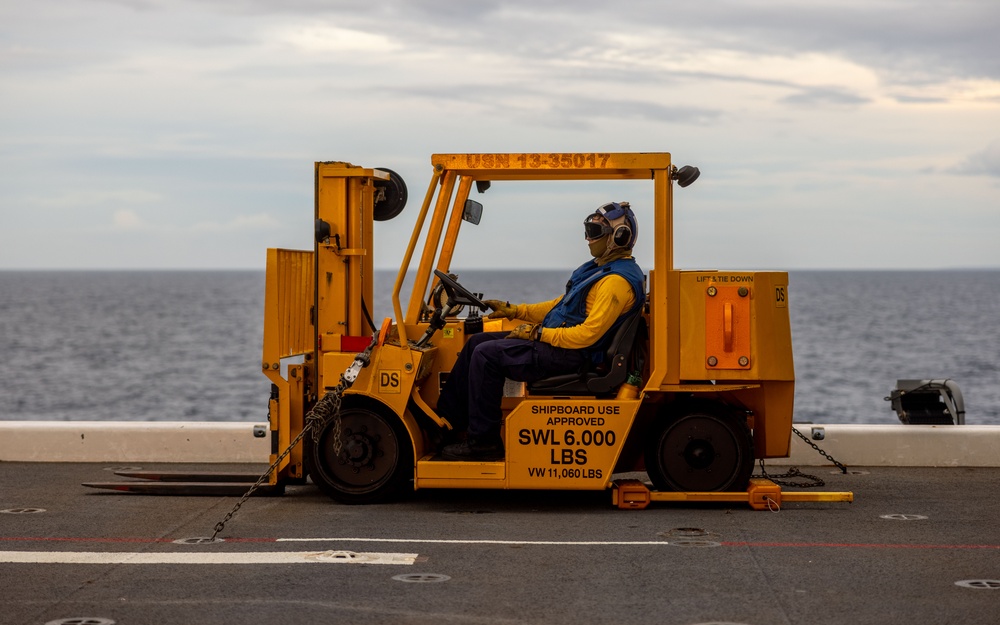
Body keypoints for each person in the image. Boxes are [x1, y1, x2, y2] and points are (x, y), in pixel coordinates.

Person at [438, 202, 646, 461]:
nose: (587, 238)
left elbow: (588, 335)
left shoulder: (615, 282)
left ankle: (483, 442)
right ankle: (448, 424)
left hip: (573, 354)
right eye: (588, 229)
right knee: (475, 343)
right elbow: (560, 306)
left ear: (619, 236)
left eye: (594, 231)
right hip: (560, 344)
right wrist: (513, 310)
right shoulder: (601, 270)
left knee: (486, 355)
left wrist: (537, 334)